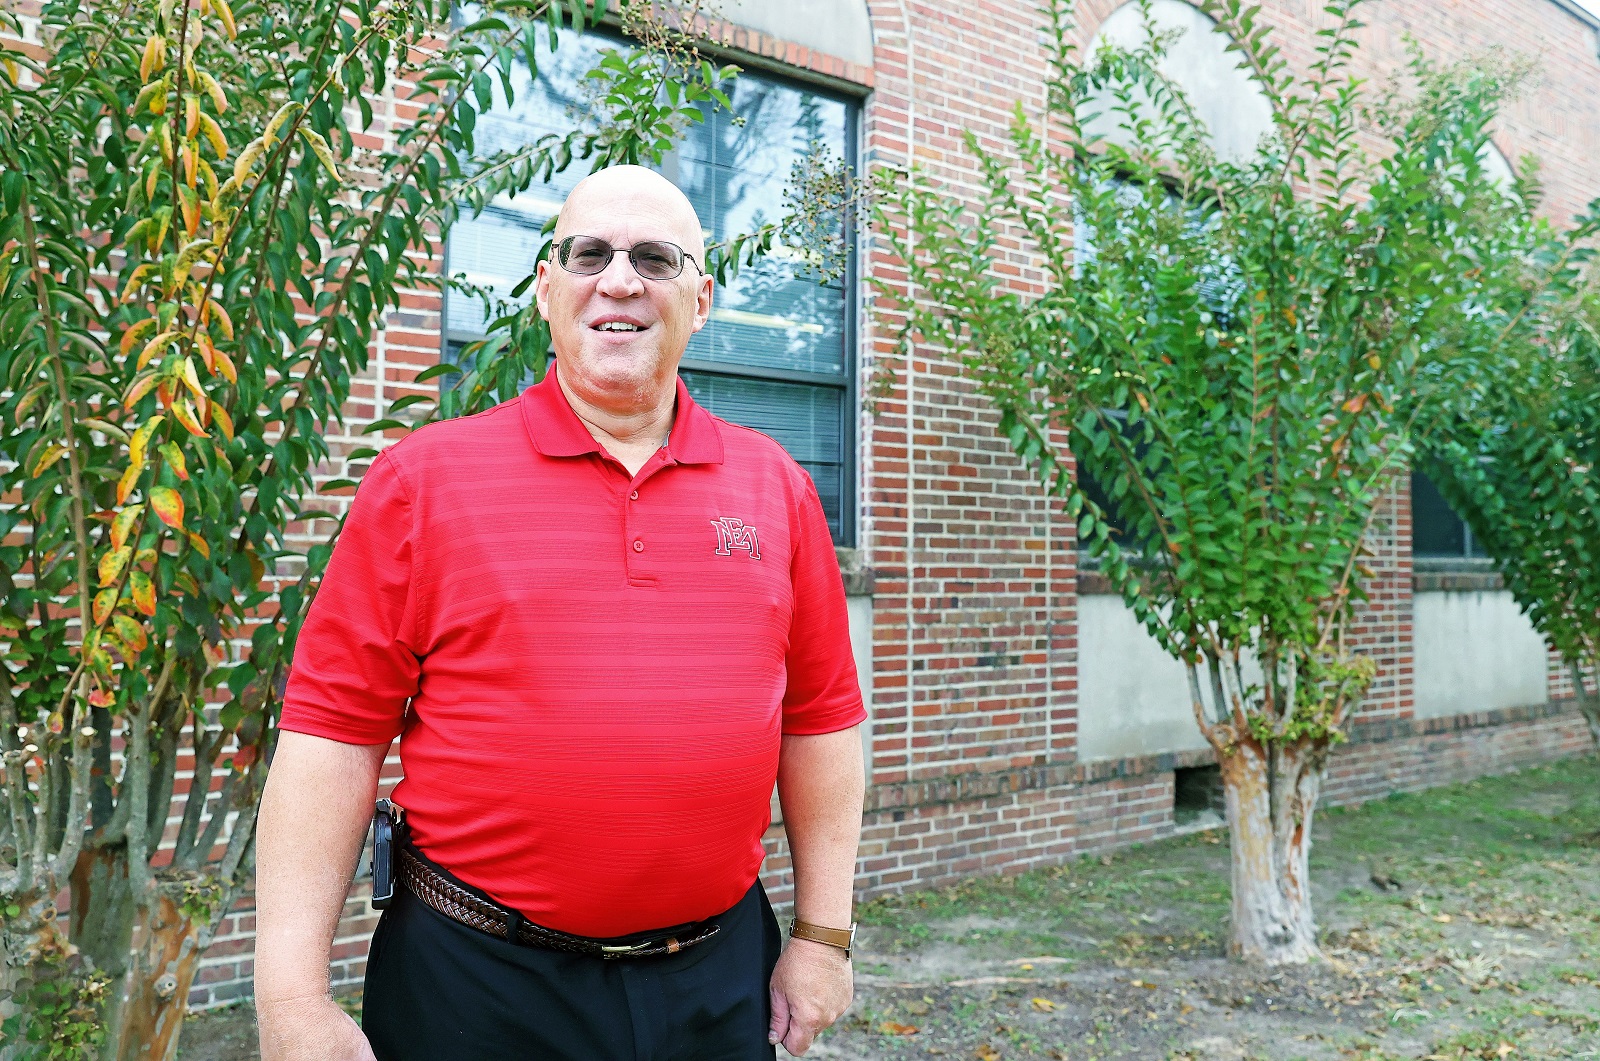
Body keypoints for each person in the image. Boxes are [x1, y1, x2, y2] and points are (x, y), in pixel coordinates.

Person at [253, 165, 867, 1061]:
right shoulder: (423, 483)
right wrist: (291, 994)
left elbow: (820, 723)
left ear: (701, 299)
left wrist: (823, 935)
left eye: (655, 259)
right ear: (546, 288)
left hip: (715, 980)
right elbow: (332, 737)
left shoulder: (776, 488)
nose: (620, 280)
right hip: (476, 987)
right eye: (590, 254)